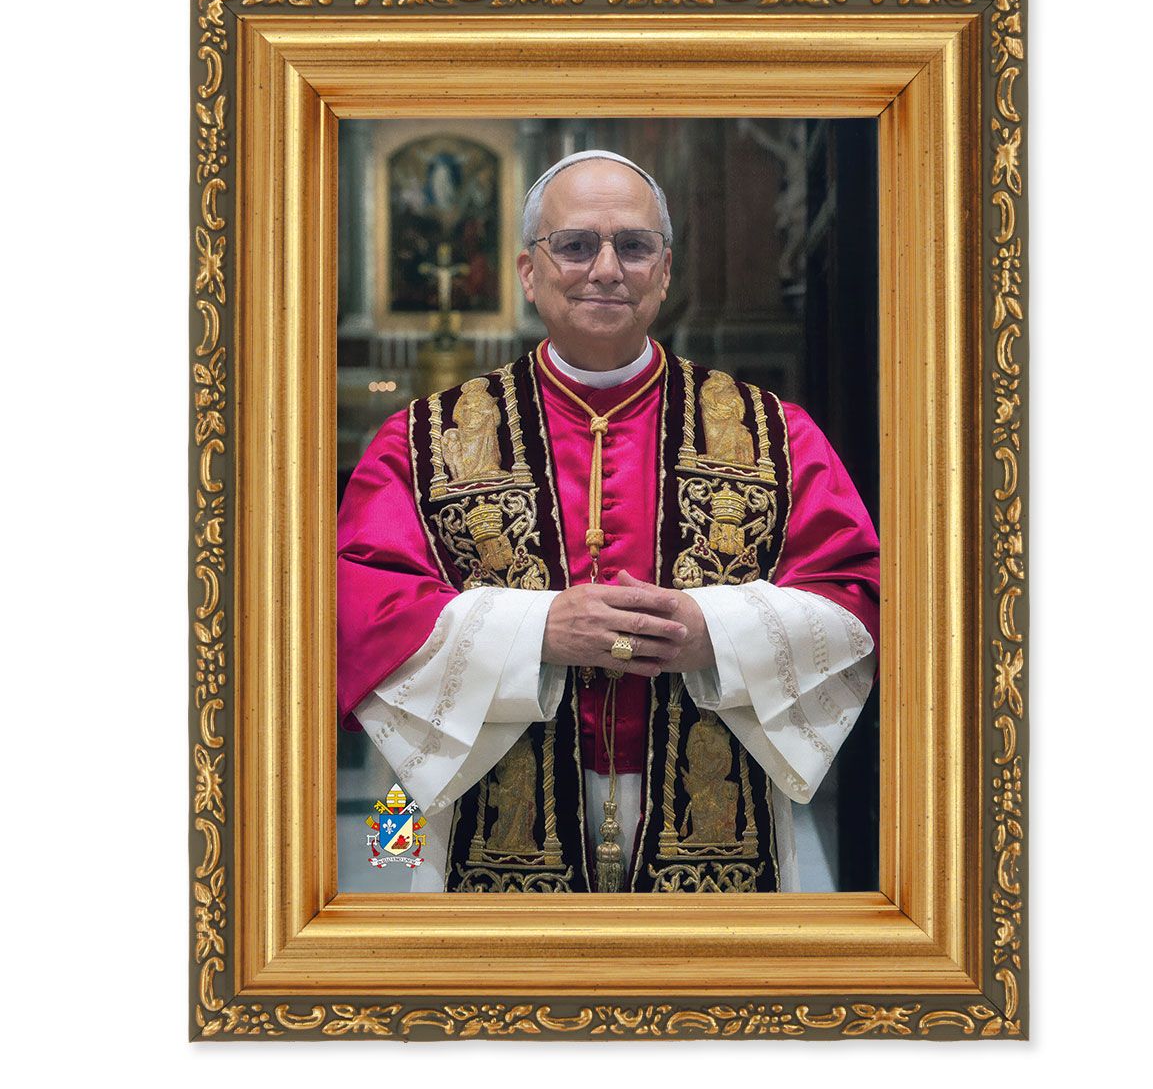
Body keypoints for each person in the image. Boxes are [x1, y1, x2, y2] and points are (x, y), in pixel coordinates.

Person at [338, 149, 879, 894]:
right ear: (529, 272)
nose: (605, 269)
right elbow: (362, 610)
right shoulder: (423, 440)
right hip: (487, 808)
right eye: (574, 245)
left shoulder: (776, 434)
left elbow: (854, 593)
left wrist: (716, 633)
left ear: (665, 270)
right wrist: (537, 631)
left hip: (714, 812)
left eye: (633, 245)